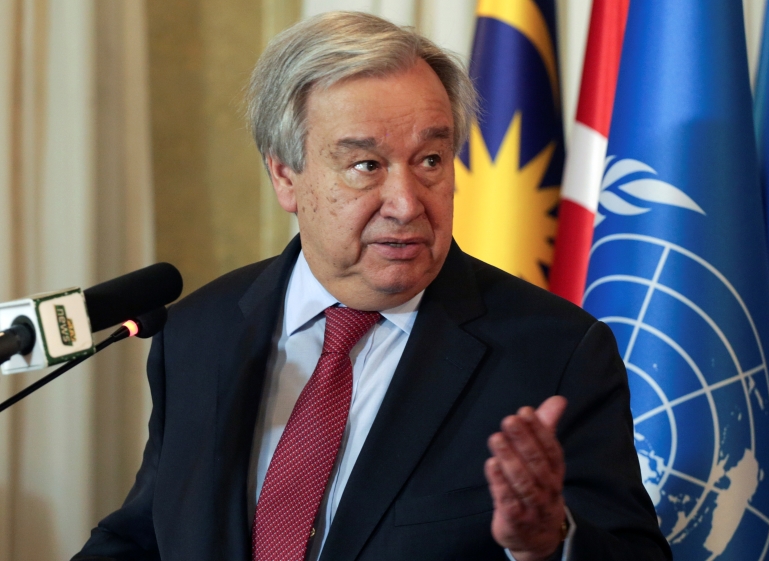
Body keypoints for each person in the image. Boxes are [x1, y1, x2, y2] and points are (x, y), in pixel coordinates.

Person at [74, 11, 670, 561]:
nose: (407, 203)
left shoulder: (553, 352)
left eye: (432, 160)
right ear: (285, 175)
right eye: (367, 165)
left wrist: (550, 543)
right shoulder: (199, 331)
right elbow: (149, 532)